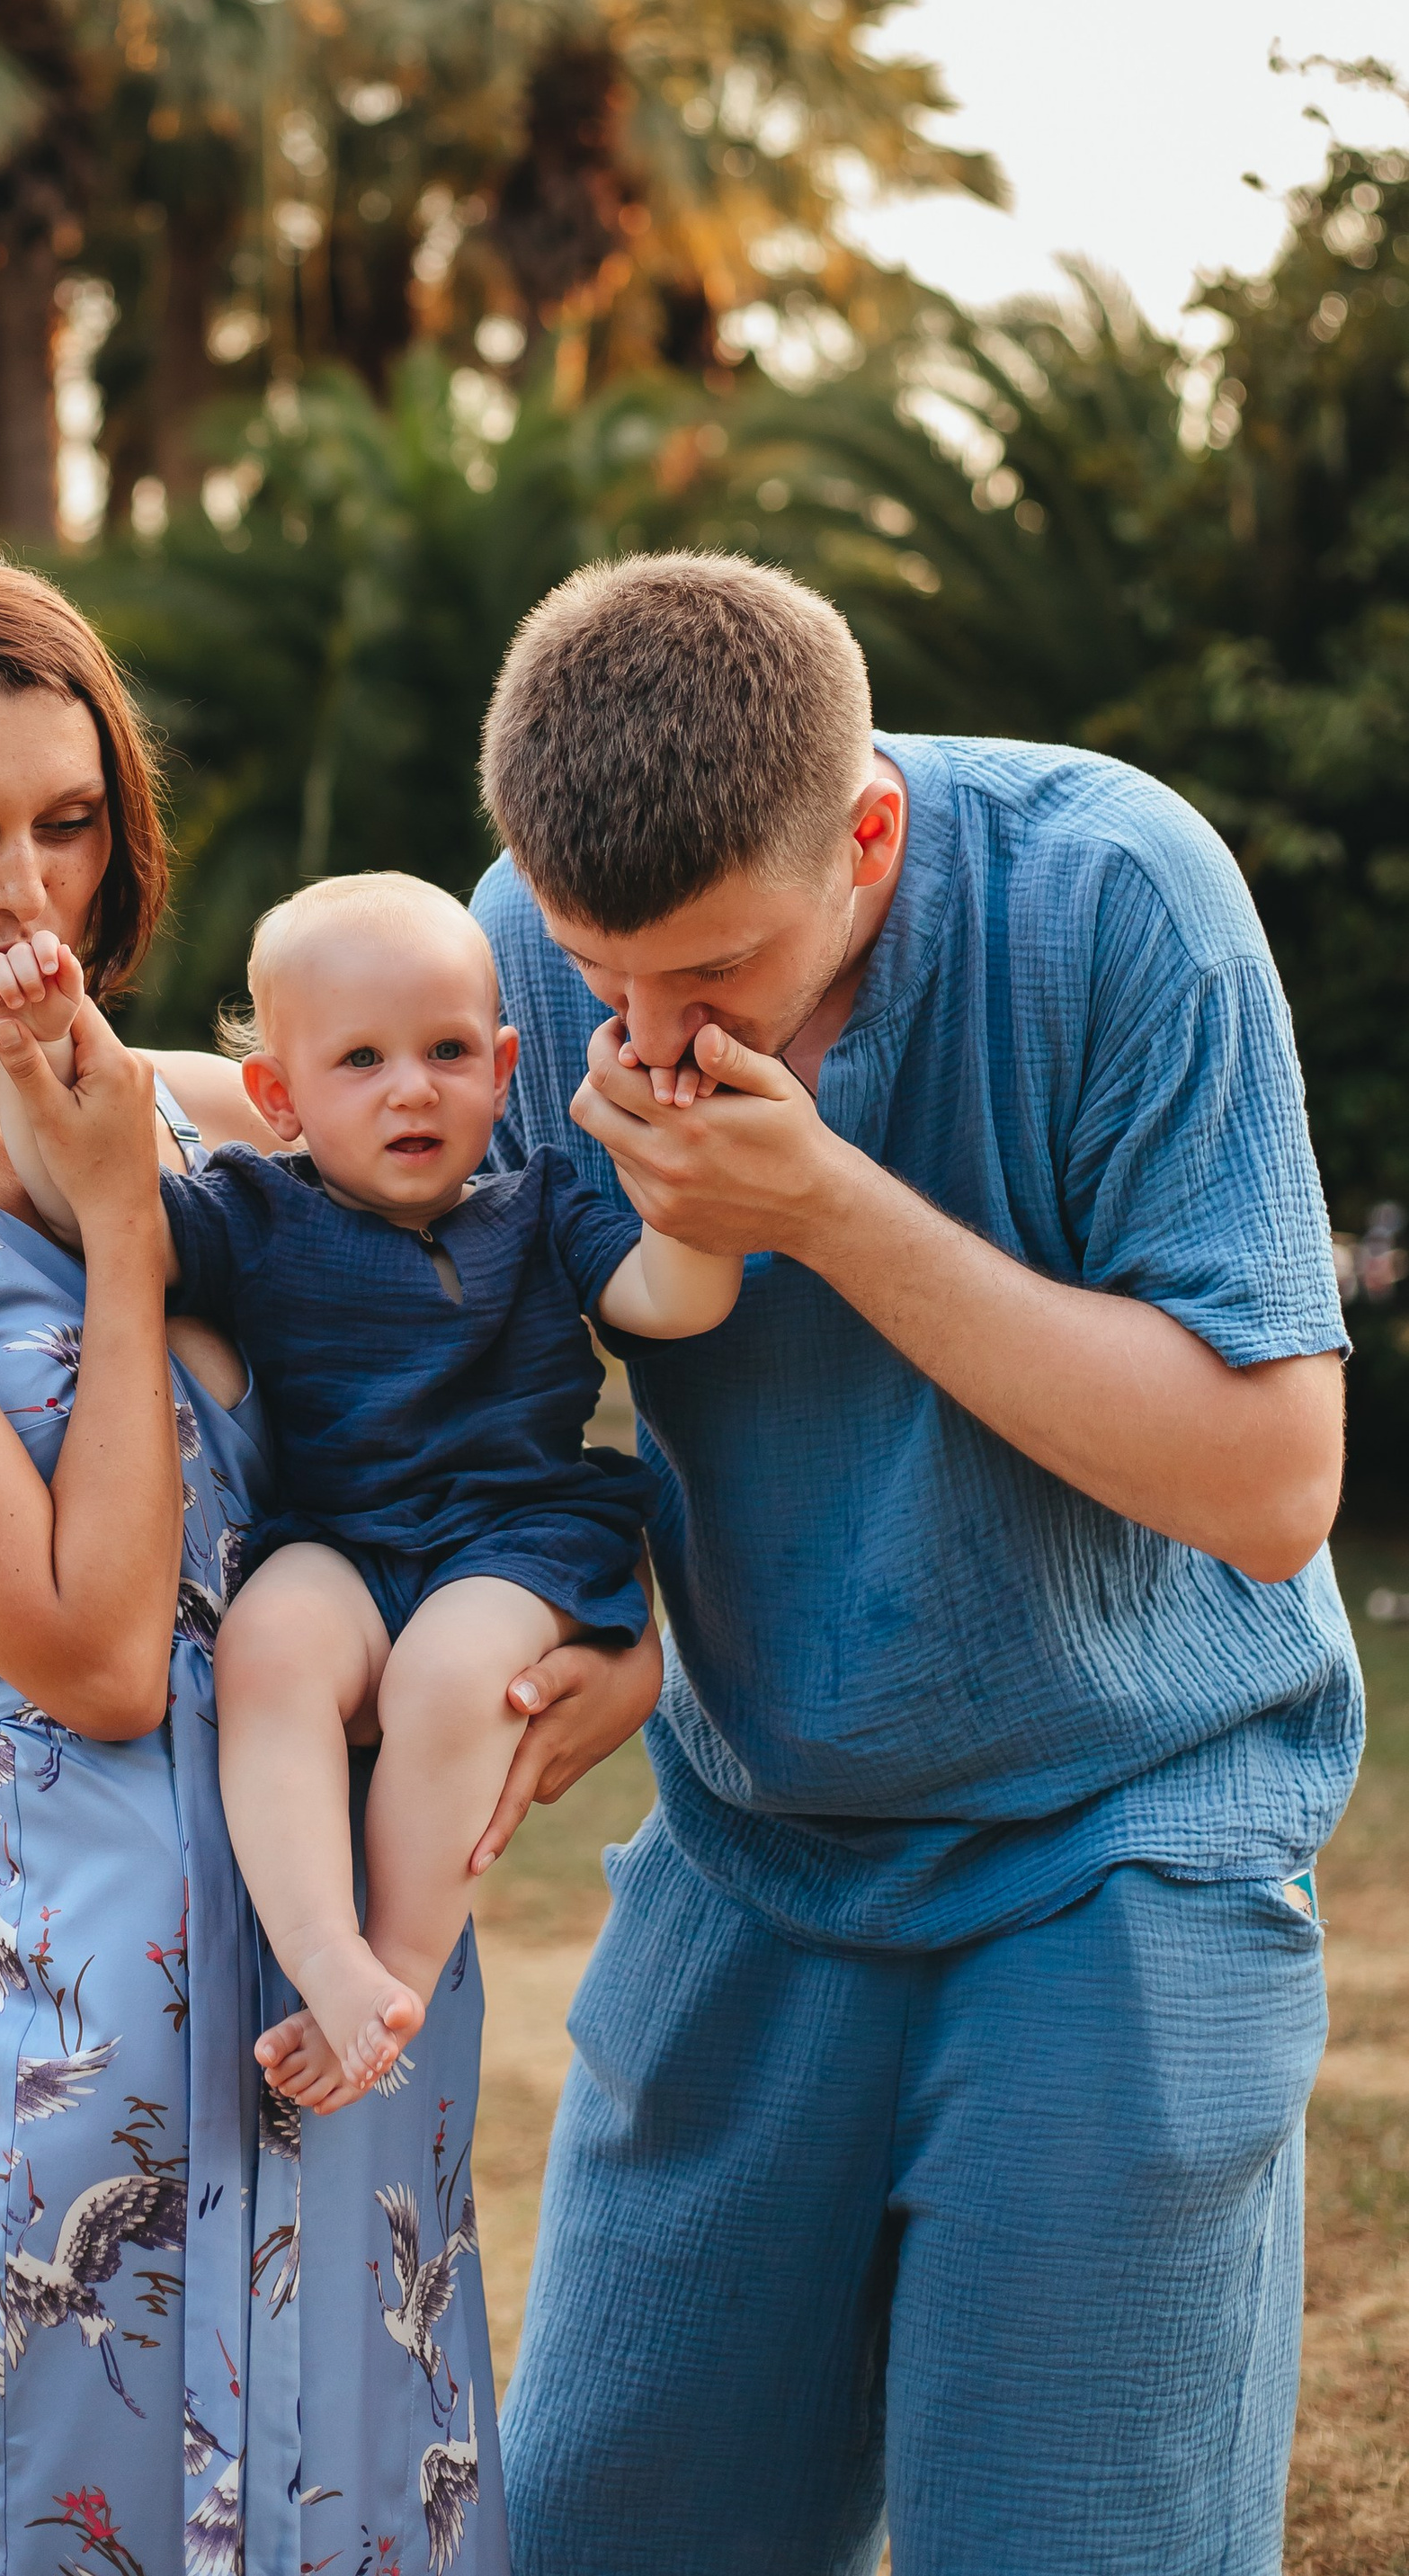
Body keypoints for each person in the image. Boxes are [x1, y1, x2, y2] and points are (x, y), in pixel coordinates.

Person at [0, 556, 656, 2576]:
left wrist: (615, 1658)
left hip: (351, 1910)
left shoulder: (243, 1102)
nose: (21, 893)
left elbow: (507, 1374)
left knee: (381, 2435)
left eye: (65, 824)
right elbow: (101, 1654)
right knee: (96, 2471)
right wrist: (124, 1250)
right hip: (94, 1929)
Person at [470, 550, 1359, 2576]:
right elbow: (486, 1373)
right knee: (588, 2535)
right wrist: (577, 1610)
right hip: (754, 1836)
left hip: (1124, 1837)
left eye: (707, 974)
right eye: (600, 969)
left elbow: (1266, 1473)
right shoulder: (529, 939)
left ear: (864, 832)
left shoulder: (1114, 895)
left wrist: (830, 1209)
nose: (643, 1030)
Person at [0, 872, 736, 2114]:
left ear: (500, 1065)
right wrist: (26, 1055)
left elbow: (677, 1298)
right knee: (268, 1649)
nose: (412, 1086)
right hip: (340, 1534)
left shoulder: (545, 1207)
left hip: (517, 1538)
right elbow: (86, 1209)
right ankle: (323, 1947)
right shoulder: (259, 1214)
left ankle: (399, 1964)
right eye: (362, 1060)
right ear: (277, 1097)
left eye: (446, 1051)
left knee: (449, 1671)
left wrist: (698, 1182)